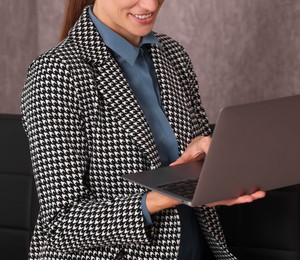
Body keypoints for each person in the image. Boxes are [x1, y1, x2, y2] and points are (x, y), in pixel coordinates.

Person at [21, 0, 265, 259]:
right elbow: (61, 226)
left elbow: (196, 162)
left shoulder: (171, 54)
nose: (151, 4)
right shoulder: (56, 72)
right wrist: (170, 195)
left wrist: (210, 165)